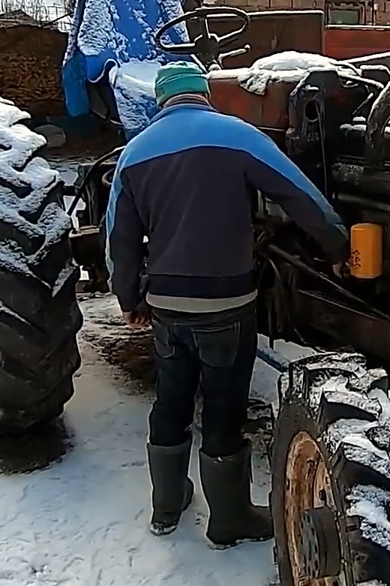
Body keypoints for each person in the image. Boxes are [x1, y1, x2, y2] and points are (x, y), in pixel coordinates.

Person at [105, 60, 349, 546]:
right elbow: (299, 193)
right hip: (226, 305)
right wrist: (338, 245)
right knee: (222, 409)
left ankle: (166, 507)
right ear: (204, 93)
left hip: (167, 307)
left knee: (171, 401)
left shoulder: (135, 152)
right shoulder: (236, 134)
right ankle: (228, 519)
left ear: (161, 100)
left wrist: (129, 297)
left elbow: (119, 238)